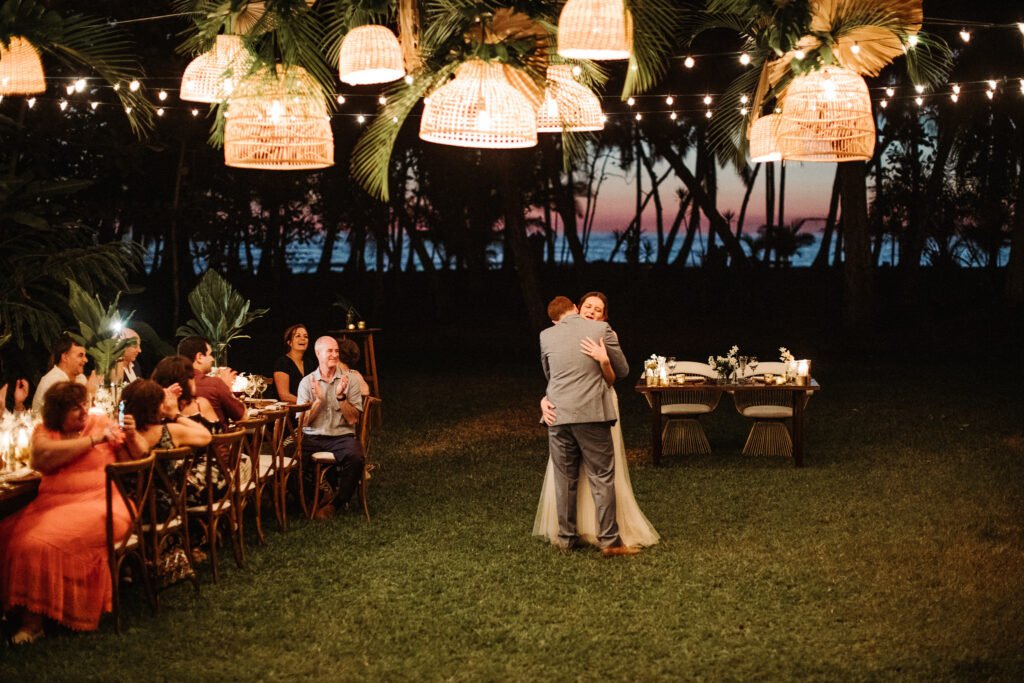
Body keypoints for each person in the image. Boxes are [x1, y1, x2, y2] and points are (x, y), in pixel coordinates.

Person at [0, 382, 130, 642]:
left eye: (84, 405)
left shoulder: (100, 422)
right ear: (58, 413)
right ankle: (16, 608)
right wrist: (93, 441)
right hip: (52, 505)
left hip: (102, 504)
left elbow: (129, 457)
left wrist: (130, 435)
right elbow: (40, 458)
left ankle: (33, 623)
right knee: (5, 532)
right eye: (74, 408)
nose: (83, 412)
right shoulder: (45, 431)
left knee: (36, 544)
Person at [534, 292, 659, 549]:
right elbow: (624, 370)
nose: (591, 311)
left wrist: (603, 361)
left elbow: (551, 375)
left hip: (560, 414)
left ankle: (566, 539)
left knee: (565, 478)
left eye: (597, 309)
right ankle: (610, 541)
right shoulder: (601, 330)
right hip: (591, 413)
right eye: (588, 306)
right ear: (577, 307)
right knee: (601, 476)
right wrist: (544, 399)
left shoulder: (546, 335)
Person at [295, 336, 364, 520]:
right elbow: (303, 423)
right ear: (318, 353)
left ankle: (336, 504)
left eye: (336, 351)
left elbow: (353, 418)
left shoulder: (350, 380)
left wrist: (341, 397)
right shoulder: (307, 382)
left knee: (356, 457)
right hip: (312, 437)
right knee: (286, 460)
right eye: (330, 351)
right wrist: (318, 401)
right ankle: (317, 495)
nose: (334, 355)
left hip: (341, 437)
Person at [176, 336, 245, 424]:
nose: (212, 359)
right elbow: (242, 417)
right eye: (210, 354)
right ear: (200, 357)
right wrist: (227, 388)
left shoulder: (171, 383)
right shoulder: (214, 384)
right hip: (214, 432)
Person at [31, 334, 99, 415]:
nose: (86, 360)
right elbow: (69, 416)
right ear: (65, 357)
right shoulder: (52, 381)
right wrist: (89, 392)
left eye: (85, 356)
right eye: (80, 355)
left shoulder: (80, 378)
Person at [273, 324, 310, 403]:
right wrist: (307, 403)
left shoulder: (309, 363)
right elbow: (284, 396)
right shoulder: (283, 362)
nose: (303, 338)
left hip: (306, 408)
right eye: (298, 336)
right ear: (289, 342)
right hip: (287, 409)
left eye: (305, 336)